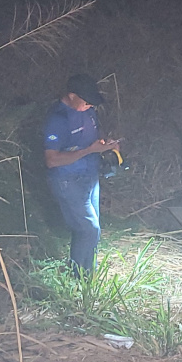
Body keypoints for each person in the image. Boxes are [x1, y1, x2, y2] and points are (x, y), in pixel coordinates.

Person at [43, 74, 120, 274]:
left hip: (90, 178)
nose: (89, 106)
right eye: (85, 102)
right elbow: (52, 160)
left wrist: (106, 146)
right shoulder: (58, 119)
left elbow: (92, 139)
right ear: (71, 96)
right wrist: (89, 151)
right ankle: (78, 277)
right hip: (68, 181)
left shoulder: (89, 111)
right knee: (89, 229)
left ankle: (88, 275)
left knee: (90, 231)